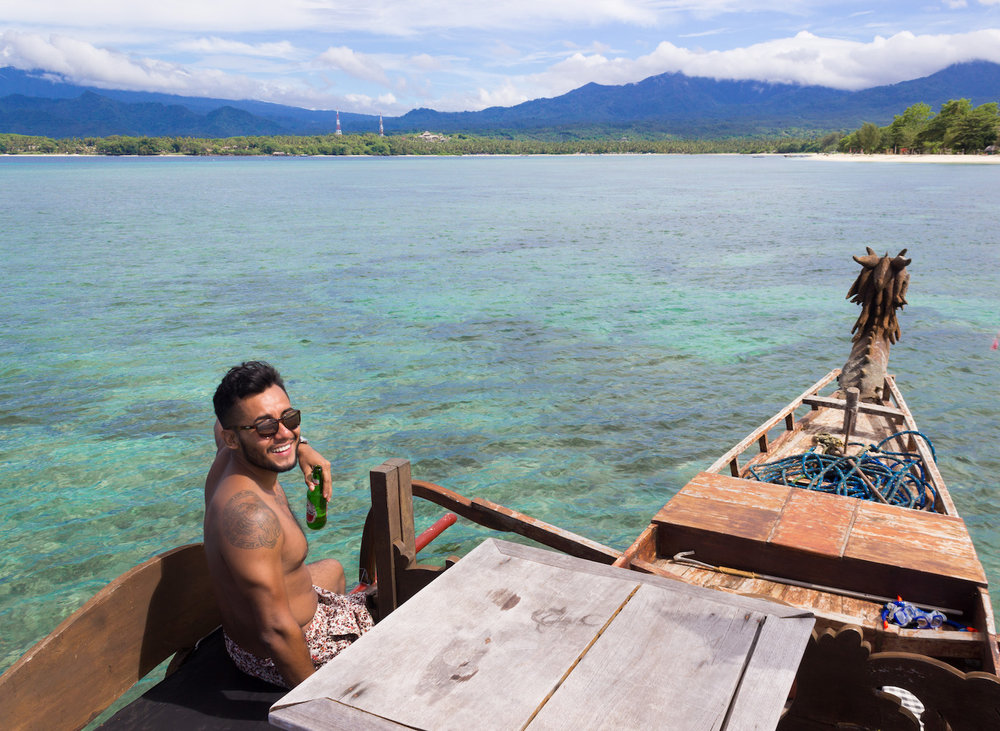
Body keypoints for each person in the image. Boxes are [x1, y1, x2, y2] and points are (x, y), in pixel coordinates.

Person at [204, 360, 372, 688]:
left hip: (263, 628)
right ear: (234, 438)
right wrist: (313, 707)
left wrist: (302, 445)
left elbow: (223, 421)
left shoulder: (229, 452)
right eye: (266, 427)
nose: (283, 433)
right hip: (288, 649)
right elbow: (276, 632)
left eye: (290, 418)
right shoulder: (249, 517)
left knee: (335, 568)